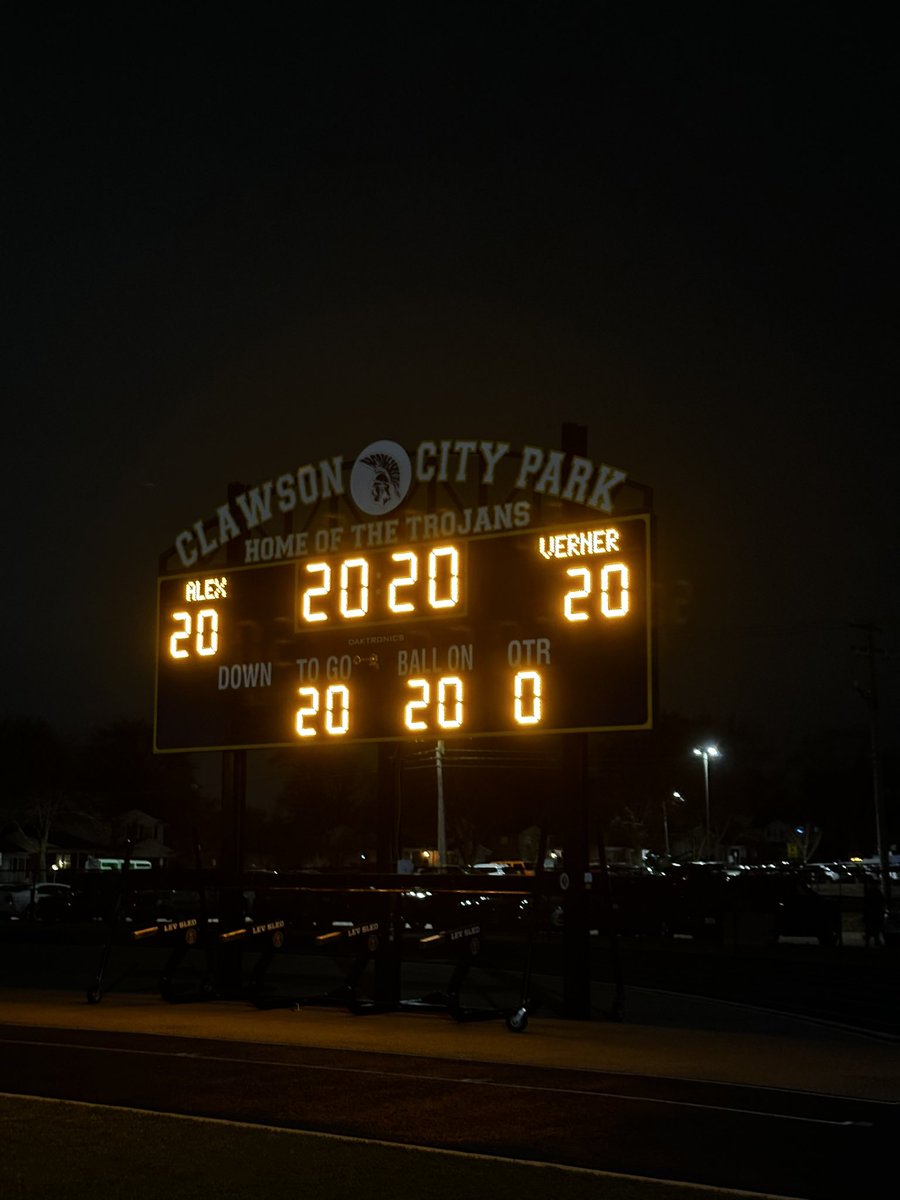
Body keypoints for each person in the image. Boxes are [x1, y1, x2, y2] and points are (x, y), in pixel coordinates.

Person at [863, 879, 886, 947]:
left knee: (869, 927)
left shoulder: (869, 892)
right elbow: (882, 901)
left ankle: (868, 941)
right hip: (876, 912)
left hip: (870, 913)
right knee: (876, 927)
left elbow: (866, 903)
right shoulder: (877, 892)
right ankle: (876, 941)